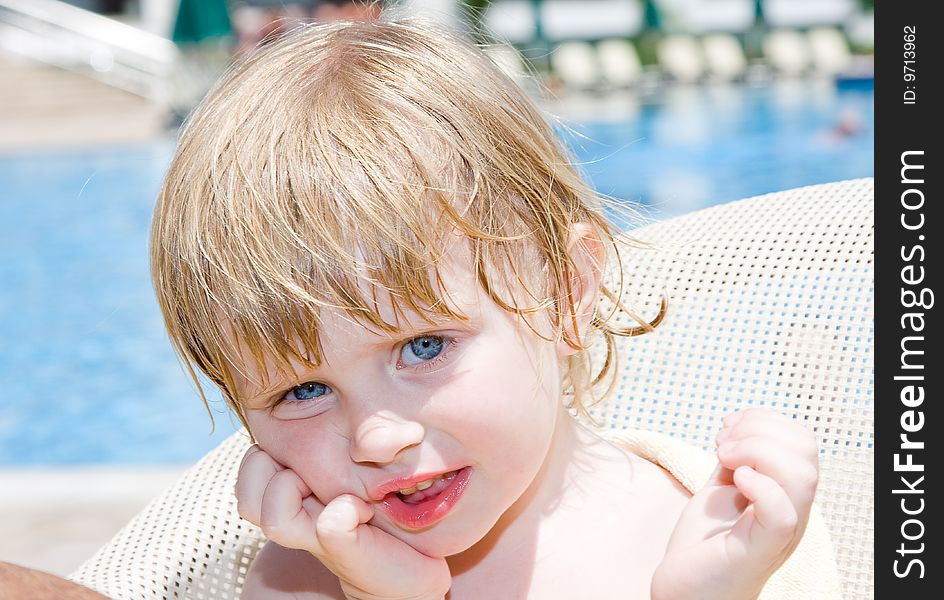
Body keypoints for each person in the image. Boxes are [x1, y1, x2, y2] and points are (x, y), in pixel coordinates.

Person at [150, 18, 841, 600]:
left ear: (567, 294)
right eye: (304, 389)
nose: (376, 439)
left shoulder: (727, 535)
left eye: (423, 347)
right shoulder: (302, 576)